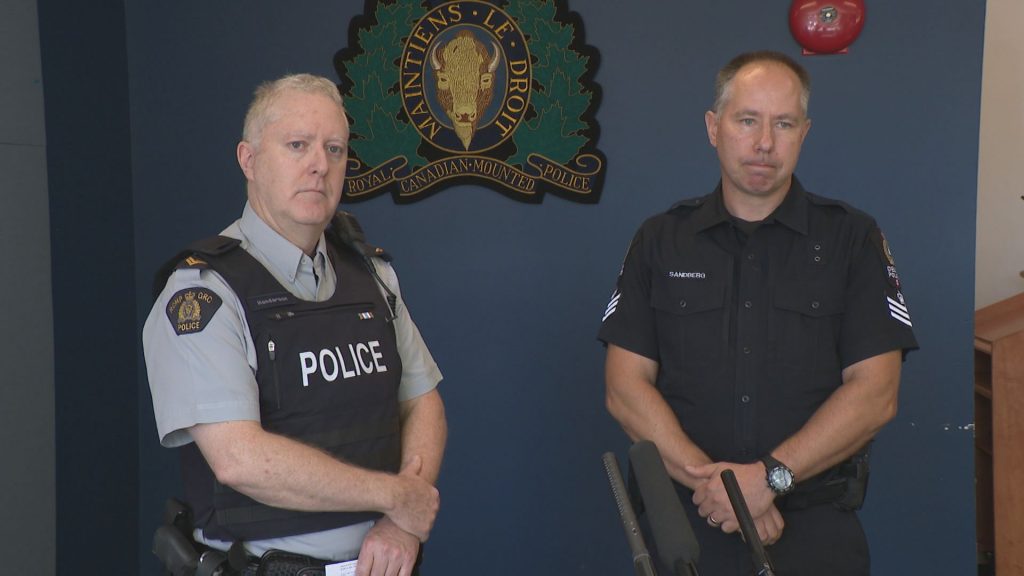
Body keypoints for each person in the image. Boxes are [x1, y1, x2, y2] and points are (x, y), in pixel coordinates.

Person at [598, 51, 917, 575]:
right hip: (686, 529)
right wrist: (722, 490)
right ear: (713, 127)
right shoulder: (660, 240)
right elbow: (625, 387)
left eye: (784, 123)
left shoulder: (852, 239)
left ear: (804, 133)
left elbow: (876, 393)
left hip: (812, 531)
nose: (765, 142)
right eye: (747, 120)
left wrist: (767, 480)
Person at [143, 73, 446, 576]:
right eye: (297, 145)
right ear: (249, 159)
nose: (318, 166)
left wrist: (403, 525)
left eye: (334, 149)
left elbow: (423, 401)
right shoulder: (205, 293)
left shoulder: (372, 275)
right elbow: (239, 459)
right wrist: (396, 496)